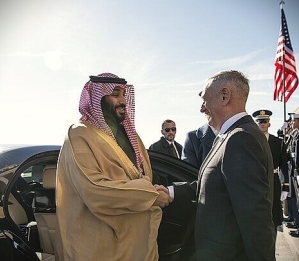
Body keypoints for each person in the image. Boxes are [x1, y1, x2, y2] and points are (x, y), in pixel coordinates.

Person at [55, 73, 172, 261]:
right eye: (116, 94)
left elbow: (141, 175)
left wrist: (153, 188)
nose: (123, 100)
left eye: (124, 95)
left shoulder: (131, 134)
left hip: (138, 244)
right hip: (100, 248)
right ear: (97, 98)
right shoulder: (80, 134)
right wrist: (150, 195)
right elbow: (95, 190)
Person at [169, 70, 275, 260]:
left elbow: (256, 219)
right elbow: (218, 188)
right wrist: (169, 192)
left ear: (225, 96)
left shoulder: (240, 138)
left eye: (204, 100)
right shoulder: (231, 136)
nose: (202, 108)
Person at [252, 110, 289, 239]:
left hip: (273, 180)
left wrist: (285, 186)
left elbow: (284, 165)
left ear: (269, 124)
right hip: (256, 180)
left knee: (273, 214)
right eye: (259, 121)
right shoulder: (251, 141)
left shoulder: (277, 142)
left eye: (265, 121)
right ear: (256, 124)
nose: (262, 124)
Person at [286, 112, 299, 237]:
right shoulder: (294, 134)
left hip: (297, 170)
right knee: (294, 198)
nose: (292, 123)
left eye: (294, 121)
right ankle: (295, 220)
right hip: (293, 170)